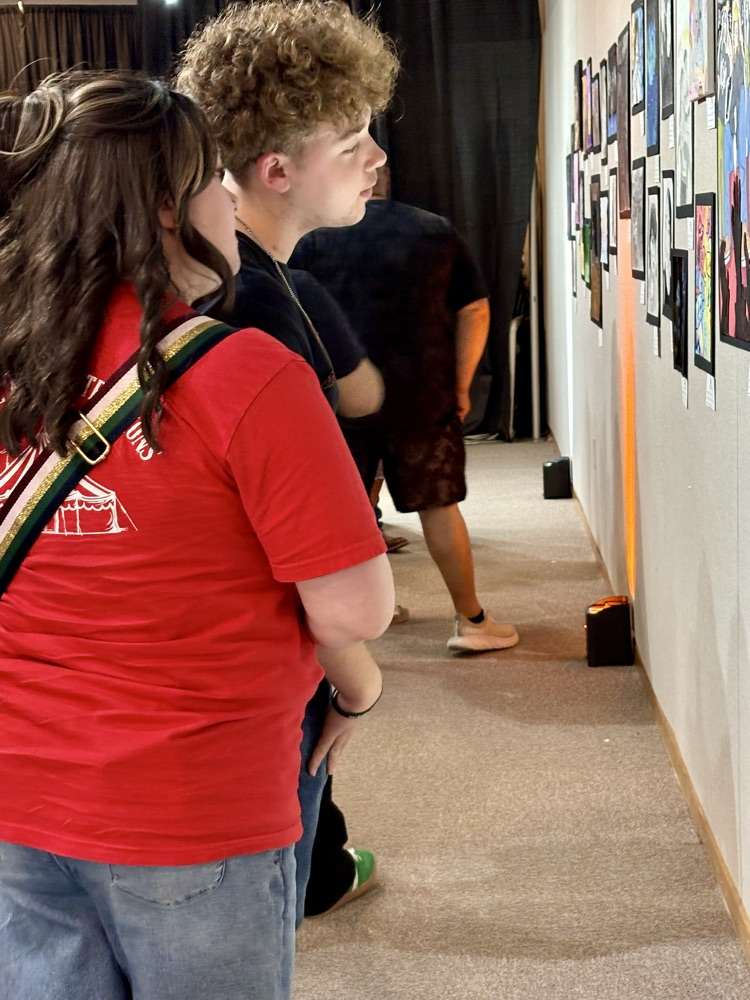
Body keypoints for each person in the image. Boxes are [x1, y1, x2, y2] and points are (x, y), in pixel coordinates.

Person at [0, 69, 393, 1000]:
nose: (230, 194)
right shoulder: (246, 375)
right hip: (190, 803)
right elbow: (353, 607)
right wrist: (360, 689)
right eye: (215, 176)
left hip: (17, 793)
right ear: (169, 211)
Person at [175, 0, 399, 922]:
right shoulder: (254, 308)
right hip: (262, 665)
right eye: (352, 142)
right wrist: (355, 684)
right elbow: (294, 551)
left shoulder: (256, 284)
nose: (376, 158)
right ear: (276, 170)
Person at [291, 166, 520, 654]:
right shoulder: (434, 229)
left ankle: (364, 614)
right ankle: (472, 621)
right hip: (422, 395)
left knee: (348, 509)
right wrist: (462, 387)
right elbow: (476, 310)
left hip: (340, 398)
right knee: (439, 507)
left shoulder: (310, 239)